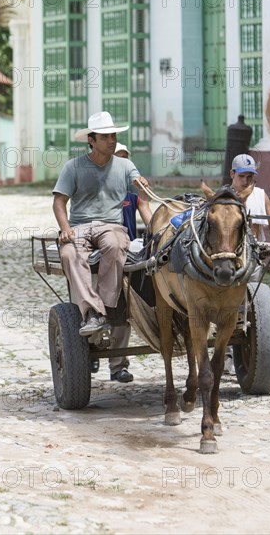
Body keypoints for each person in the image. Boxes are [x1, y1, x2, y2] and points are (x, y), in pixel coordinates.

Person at [52, 112, 149, 382]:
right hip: (80, 226)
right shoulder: (73, 167)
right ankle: (93, 312)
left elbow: (140, 186)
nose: (111, 140)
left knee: (118, 243)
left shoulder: (124, 166)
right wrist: (65, 229)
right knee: (69, 252)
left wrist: (142, 184)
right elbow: (59, 202)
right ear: (91, 140)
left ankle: (106, 306)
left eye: (113, 136)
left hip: (111, 226)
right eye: (105, 136)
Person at [201, 153, 270, 374]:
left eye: (251, 176)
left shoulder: (261, 196)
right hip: (227, 259)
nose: (247, 180)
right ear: (232, 174)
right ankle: (222, 354)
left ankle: (247, 348)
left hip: (251, 259)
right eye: (243, 176)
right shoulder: (223, 199)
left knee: (252, 307)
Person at [104, 143, 153, 381]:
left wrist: (162, 231)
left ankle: (118, 366)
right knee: (102, 307)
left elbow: (149, 215)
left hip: (129, 252)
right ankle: (87, 345)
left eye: (125, 160)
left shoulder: (133, 194)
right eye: (117, 160)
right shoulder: (97, 189)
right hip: (102, 253)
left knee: (123, 310)